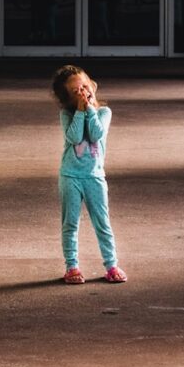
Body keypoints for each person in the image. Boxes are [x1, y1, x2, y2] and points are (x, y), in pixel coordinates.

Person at [51, 64, 127, 286]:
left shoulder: (104, 112)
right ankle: (71, 266)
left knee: (102, 222)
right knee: (70, 223)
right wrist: (81, 111)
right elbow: (74, 138)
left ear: (92, 85)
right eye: (76, 91)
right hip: (70, 176)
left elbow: (95, 134)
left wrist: (90, 109)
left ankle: (111, 265)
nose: (83, 92)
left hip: (94, 176)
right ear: (68, 99)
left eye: (85, 86)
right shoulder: (67, 114)